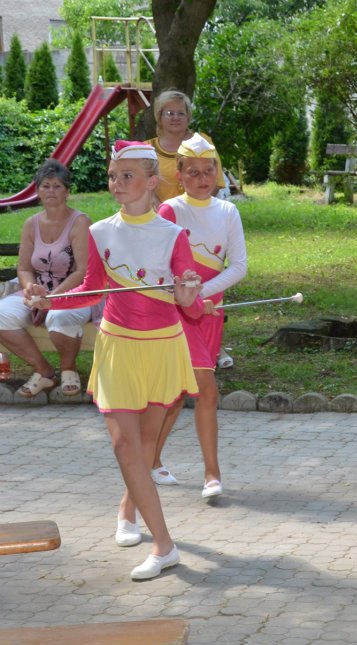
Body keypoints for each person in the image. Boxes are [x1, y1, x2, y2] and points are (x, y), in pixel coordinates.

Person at [26, 140, 203, 580]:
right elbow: (91, 287)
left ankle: (128, 509)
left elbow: (193, 306)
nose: (117, 183)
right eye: (112, 176)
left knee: (144, 446)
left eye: (127, 175)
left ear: (152, 181)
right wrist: (51, 299)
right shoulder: (100, 231)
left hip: (162, 346)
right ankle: (164, 546)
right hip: (118, 344)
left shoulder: (173, 235)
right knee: (125, 445)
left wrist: (187, 295)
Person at [152, 134, 248, 500]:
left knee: (178, 394)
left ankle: (151, 460)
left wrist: (203, 295)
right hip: (177, 314)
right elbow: (159, 269)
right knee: (206, 388)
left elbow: (238, 266)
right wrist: (188, 299)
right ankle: (212, 474)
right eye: (193, 172)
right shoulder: (170, 211)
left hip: (210, 313)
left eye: (209, 171)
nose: (202, 178)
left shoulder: (228, 212)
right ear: (179, 175)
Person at [0, 160, 97, 398]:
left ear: (67, 191)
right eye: (45, 186)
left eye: (57, 186)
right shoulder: (31, 224)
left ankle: (68, 369)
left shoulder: (80, 222)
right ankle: (43, 371)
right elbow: (24, 267)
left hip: (75, 291)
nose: (51, 191)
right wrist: (30, 288)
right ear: (38, 191)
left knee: (59, 316)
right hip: (39, 292)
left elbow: (82, 271)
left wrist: (54, 297)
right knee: (1, 315)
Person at [147, 90, 225, 204]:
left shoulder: (203, 142)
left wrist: (191, 209)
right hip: (159, 213)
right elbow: (142, 188)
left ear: (188, 117)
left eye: (181, 113)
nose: (176, 117)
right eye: (169, 113)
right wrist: (165, 212)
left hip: (200, 211)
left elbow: (216, 182)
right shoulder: (146, 149)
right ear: (159, 117)